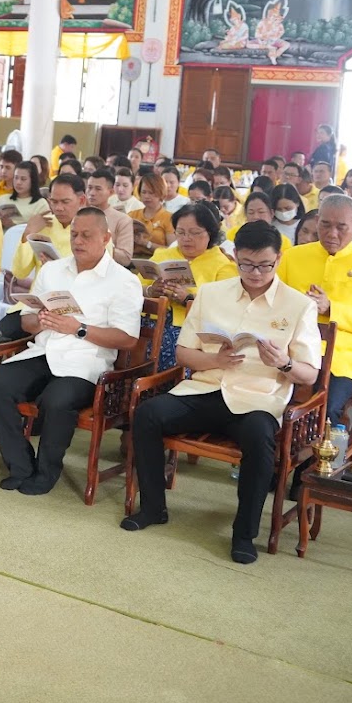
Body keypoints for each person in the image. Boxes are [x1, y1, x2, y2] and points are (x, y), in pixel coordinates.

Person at [122, 221, 323, 565]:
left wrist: (285, 362)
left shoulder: (299, 306)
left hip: (257, 399)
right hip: (206, 388)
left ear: (278, 258)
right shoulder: (212, 294)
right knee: (147, 414)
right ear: (234, 257)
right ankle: (154, 508)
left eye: (265, 265)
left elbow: (310, 374)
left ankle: (244, 534)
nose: (256, 273)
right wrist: (214, 359)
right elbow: (184, 354)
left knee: (261, 440)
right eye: (246, 264)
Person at [0, 208, 144, 495]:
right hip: (43, 351)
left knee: (56, 400)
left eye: (86, 235)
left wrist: (78, 328)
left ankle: (46, 472)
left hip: (86, 362)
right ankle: (21, 465)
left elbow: (127, 338)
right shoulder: (53, 270)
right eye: (74, 234)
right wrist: (39, 318)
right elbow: (28, 321)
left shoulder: (123, 281)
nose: (78, 241)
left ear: (106, 238)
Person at [277, 194, 352, 424]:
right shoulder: (292, 256)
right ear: (317, 221)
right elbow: (271, 303)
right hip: (290, 351)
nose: (332, 234)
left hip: (341, 359)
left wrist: (332, 309)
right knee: (264, 399)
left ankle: (314, 459)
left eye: (341, 227)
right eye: (325, 225)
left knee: (324, 412)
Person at [145, 202, 239, 369]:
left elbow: (226, 308)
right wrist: (151, 290)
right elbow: (134, 286)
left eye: (195, 233)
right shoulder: (163, 254)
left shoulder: (223, 265)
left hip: (191, 334)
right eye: (180, 233)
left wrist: (188, 298)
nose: (186, 238)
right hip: (151, 325)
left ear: (210, 233)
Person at [10, 173, 87, 282]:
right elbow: (19, 273)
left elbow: (97, 280)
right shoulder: (42, 225)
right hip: (39, 296)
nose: (59, 208)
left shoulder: (96, 230)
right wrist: (28, 232)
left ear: (82, 200)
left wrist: (56, 269)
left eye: (65, 202)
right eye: (54, 202)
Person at [81, 169, 138, 267]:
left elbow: (125, 259)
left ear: (111, 192)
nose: (92, 193)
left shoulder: (122, 220)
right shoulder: (78, 215)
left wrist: (100, 245)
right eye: (89, 188)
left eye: (98, 189)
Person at [131, 170, 176, 256]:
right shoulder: (132, 215)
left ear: (161, 193)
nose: (147, 196)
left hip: (157, 260)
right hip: (132, 260)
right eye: (144, 192)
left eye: (151, 193)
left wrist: (147, 244)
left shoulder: (168, 218)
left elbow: (172, 250)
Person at [0, 159, 49, 223]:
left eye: (23, 179)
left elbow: (44, 230)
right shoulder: (2, 199)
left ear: (33, 180)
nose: (18, 182)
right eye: (16, 177)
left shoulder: (41, 204)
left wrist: (13, 226)